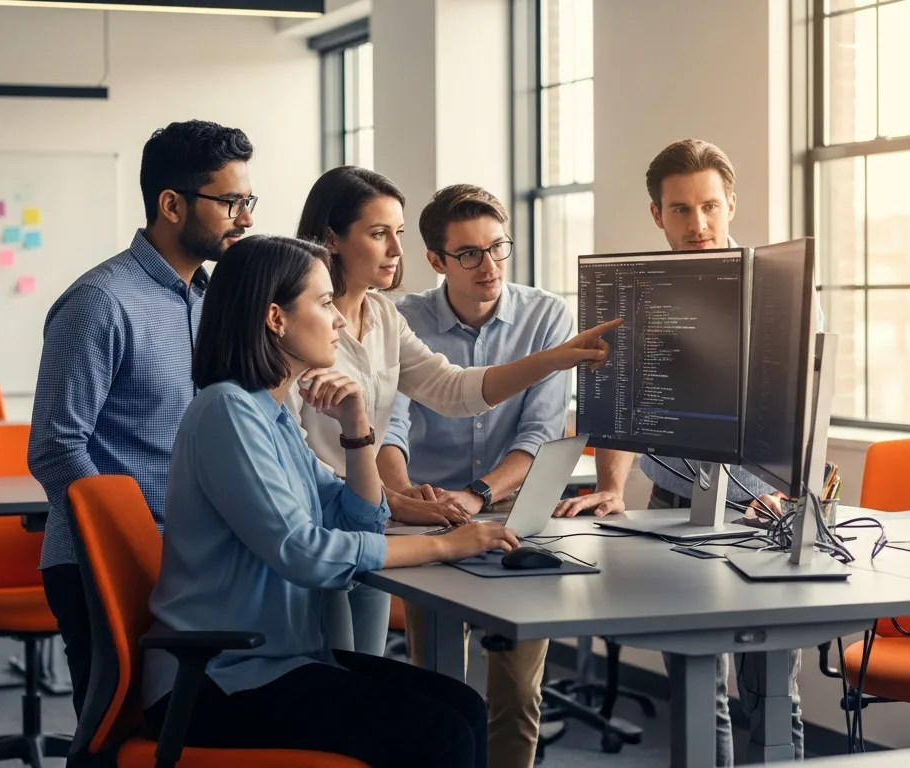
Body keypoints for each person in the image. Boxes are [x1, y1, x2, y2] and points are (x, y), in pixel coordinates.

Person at [143, 234, 521, 768]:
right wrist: (445, 547)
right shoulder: (227, 411)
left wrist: (358, 428)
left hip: (279, 661)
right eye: (324, 303)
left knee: (462, 707)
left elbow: (360, 521)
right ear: (276, 318)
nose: (340, 320)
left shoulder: (273, 415)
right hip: (216, 679)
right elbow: (306, 553)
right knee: (441, 735)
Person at [290, 166, 621, 656]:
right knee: (333, 680)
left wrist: (557, 356)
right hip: (321, 522)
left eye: (397, 234)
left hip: (373, 519)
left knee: (367, 669)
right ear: (331, 239)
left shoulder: (383, 314)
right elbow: (290, 445)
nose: (396, 251)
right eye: (380, 234)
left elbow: (451, 389)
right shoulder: (300, 319)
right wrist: (396, 498)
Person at [553, 138, 805, 765]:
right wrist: (611, 487)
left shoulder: (780, 292)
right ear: (656, 216)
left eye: (710, 207)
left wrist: (789, 492)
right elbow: (613, 408)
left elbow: (803, 410)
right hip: (674, 505)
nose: (698, 225)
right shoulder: (632, 296)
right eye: (681, 211)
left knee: (773, 692)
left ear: (731, 205)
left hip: (763, 511)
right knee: (699, 688)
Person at [27, 119, 256, 718]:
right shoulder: (101, 302)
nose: (246, 218)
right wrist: (137, 543)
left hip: (192, 562)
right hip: (107, 566)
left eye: (248, 200)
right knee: (114, 735)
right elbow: (55, 449)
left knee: (177, 738)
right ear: (172, 204)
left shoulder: (214, 300)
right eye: (230, 202)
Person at [381, 184, 572, 768]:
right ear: (437, 261)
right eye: (468, 254)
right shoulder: (400, 318)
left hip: (513, 514)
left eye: (496, 248)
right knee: (437, 685)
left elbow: (538, 436)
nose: (487, 266)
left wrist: (479, 494)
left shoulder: (546, 316)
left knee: (516, 693)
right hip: (429, 523)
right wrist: (407, 496)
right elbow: (389, 425)